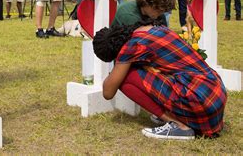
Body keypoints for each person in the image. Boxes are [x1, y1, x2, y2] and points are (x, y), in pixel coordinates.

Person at [93, 21, 227, 140]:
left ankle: (179, 125)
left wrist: (117, 66)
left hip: (200, 102)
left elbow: (108, 92)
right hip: (216, 93)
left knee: (126, 78)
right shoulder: (154, 28)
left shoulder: (130, 47)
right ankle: (177, 115)